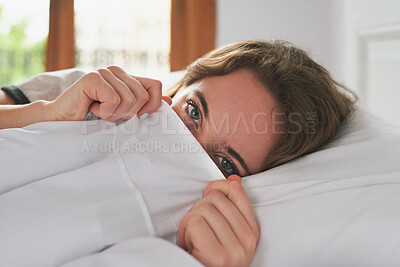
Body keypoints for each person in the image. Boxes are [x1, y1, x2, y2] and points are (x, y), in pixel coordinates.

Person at [0, 39, 357, 266]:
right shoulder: (95, 89)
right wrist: (45, 113)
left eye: (224, 161)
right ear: (184, 83)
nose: (180, 144)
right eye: (194, 111)